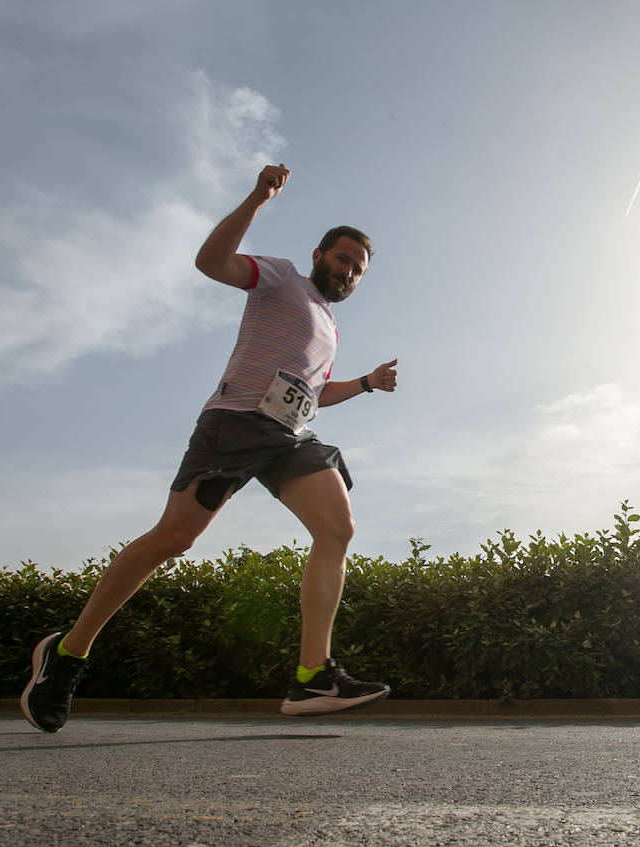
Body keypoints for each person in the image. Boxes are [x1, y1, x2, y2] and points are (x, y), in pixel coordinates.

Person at [21, 163, 397, 733]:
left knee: (336, 527)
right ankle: (67, 654)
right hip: (237, 424)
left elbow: (317, 393)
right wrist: (256, 199)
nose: (350, 273)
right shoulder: (281, 278)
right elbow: (211, 263)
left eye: (359, 270)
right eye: (344, 259)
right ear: (319, 255)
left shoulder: (328, 325)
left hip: (290, 436)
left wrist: (366, 383)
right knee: (174, 539)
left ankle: (312, 676)